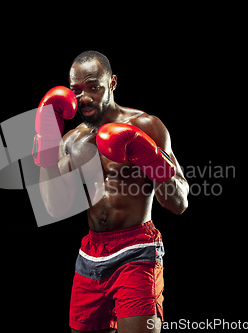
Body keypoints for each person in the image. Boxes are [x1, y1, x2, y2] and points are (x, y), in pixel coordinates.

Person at [32, 50, 189, 333]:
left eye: (94, 86)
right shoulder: (72, 140)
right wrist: (46, 149)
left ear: (112, 82)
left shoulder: (146, 125)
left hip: (137, 250)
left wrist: (151, 157)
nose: (86, 97)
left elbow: (178, 203)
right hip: (90, 254)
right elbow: (54, 207)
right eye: (77, 90)